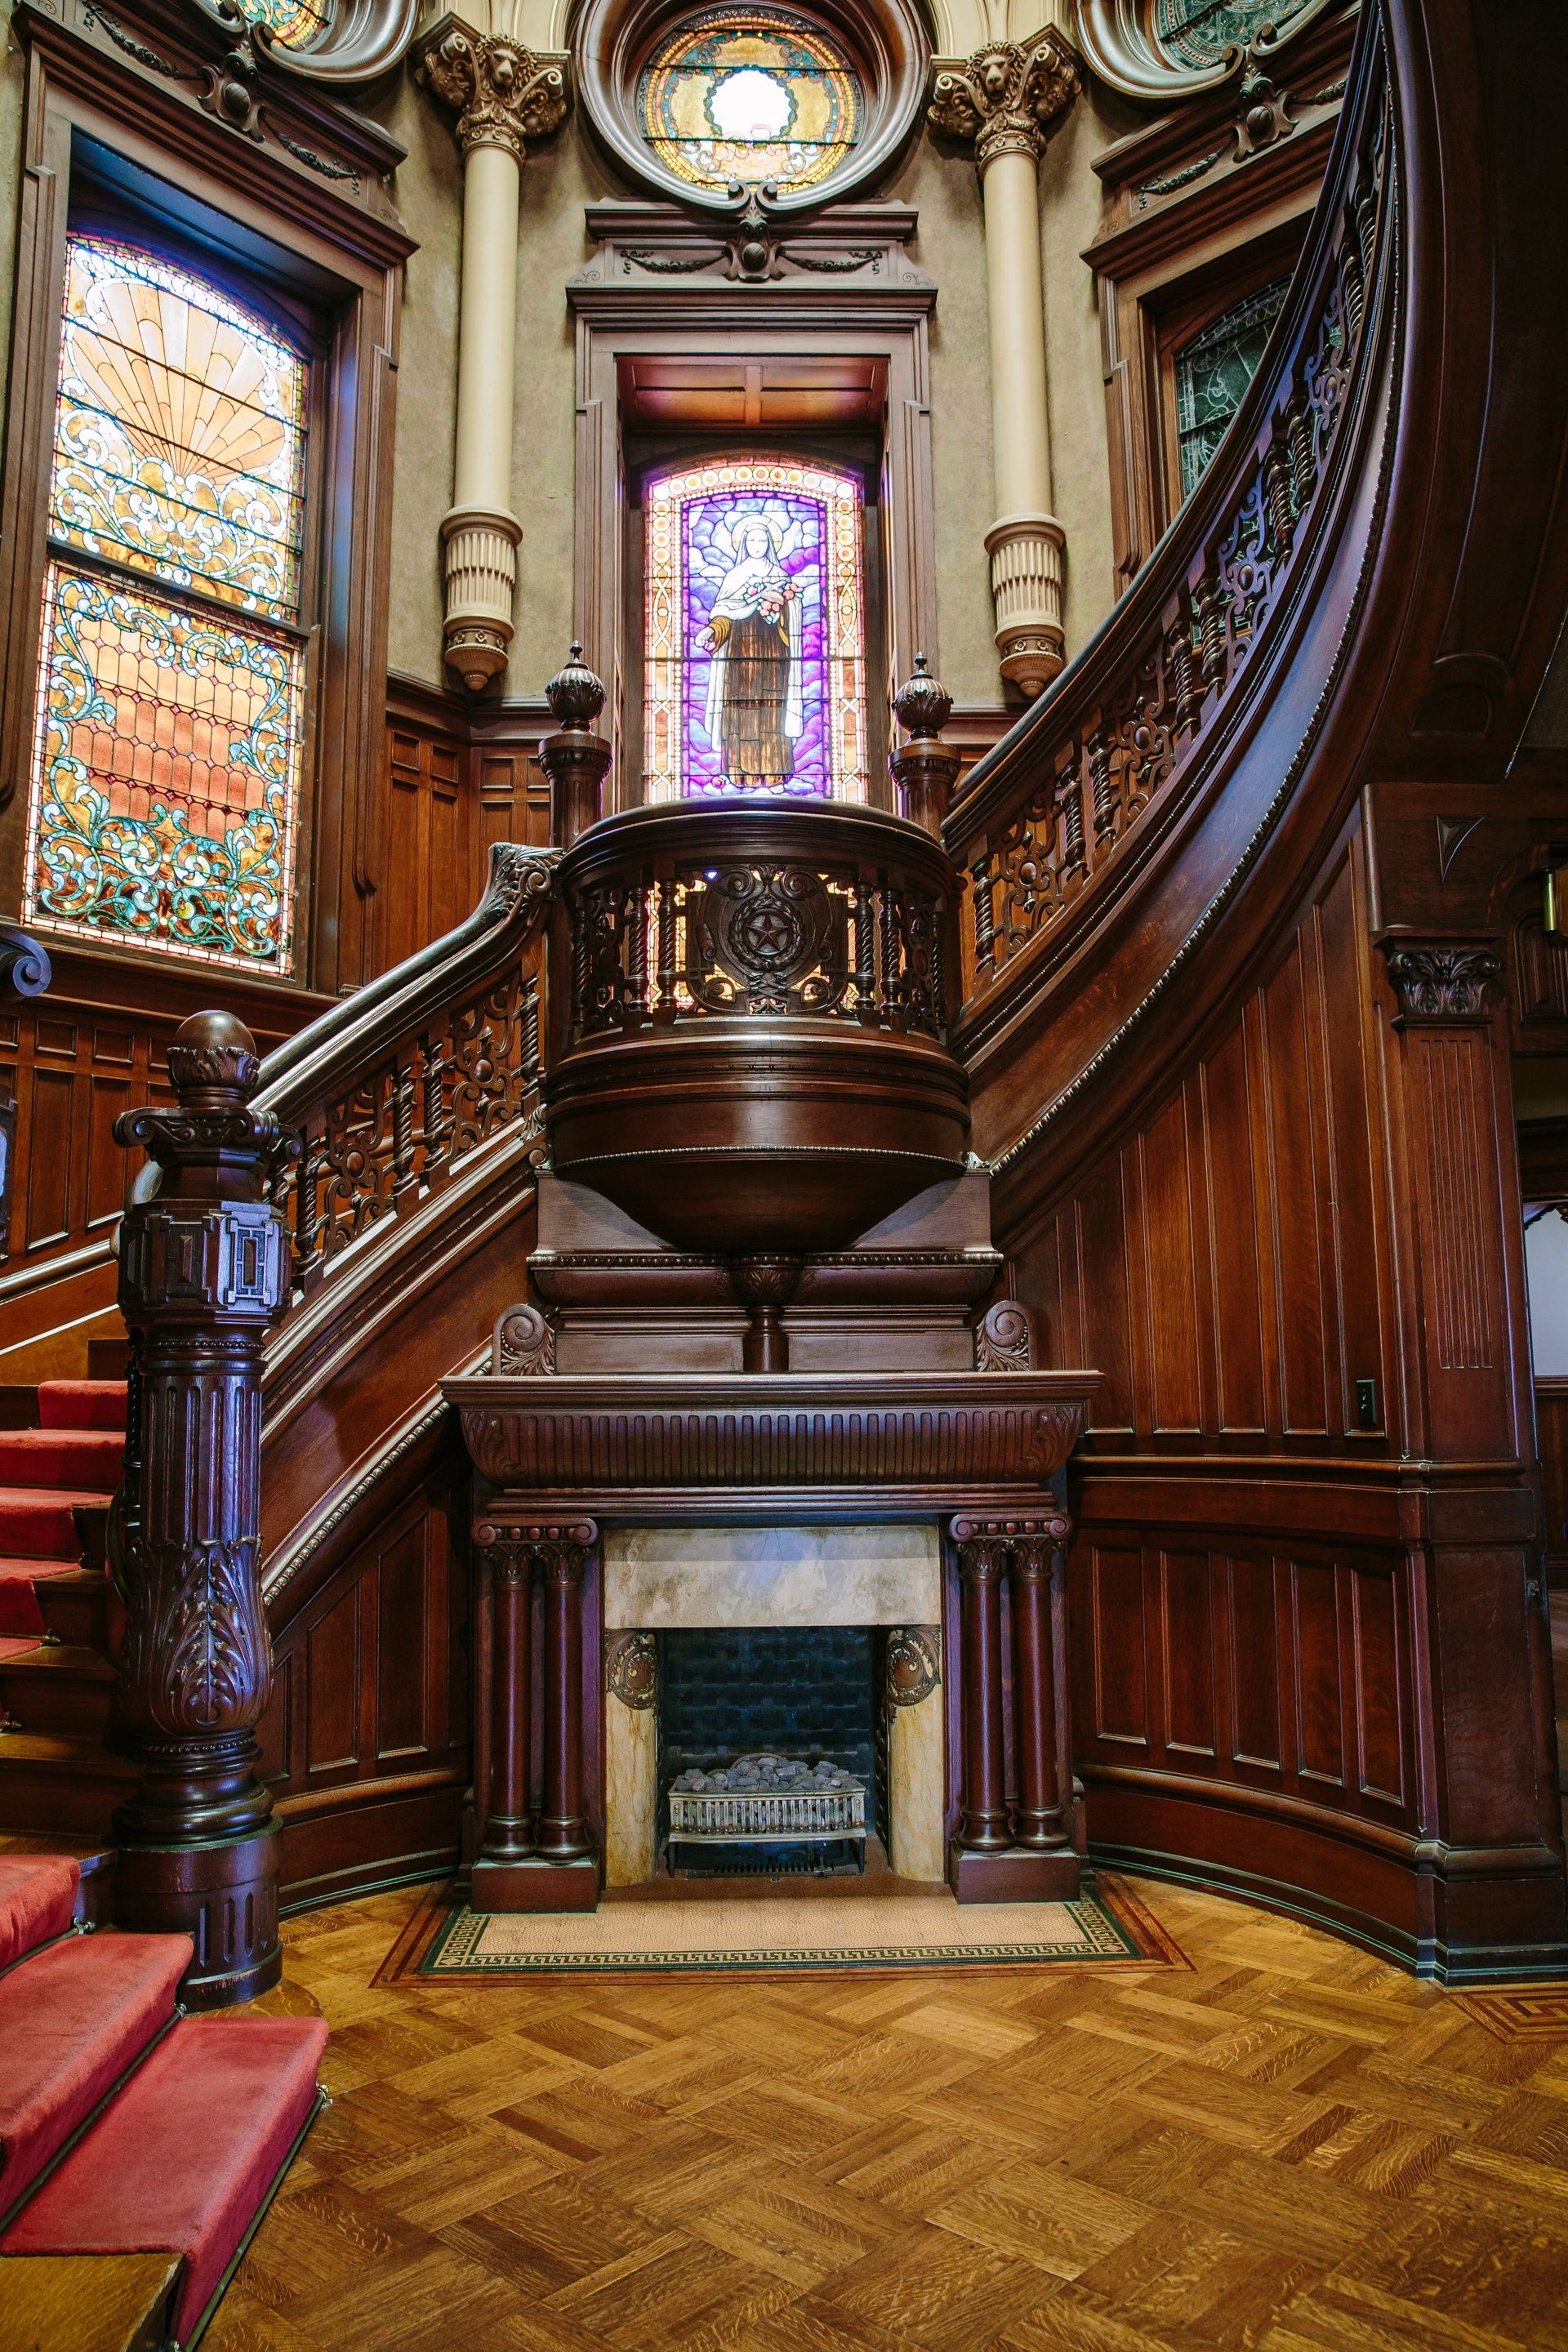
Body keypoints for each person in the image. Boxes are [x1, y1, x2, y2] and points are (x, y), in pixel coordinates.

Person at [698, 517, 804, 786]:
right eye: (751, 540)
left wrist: (781, 602)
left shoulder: (781, 577)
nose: (757, 545)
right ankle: (738, 775)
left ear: (769, 543)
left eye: (761, 540)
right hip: (740, 661)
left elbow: (793, 618)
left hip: (773, 660)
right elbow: (724, 613)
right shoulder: (734, 577)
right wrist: (710, 631)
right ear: (744, 544)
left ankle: (775, 773)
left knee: (772, 714)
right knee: (740, 714)